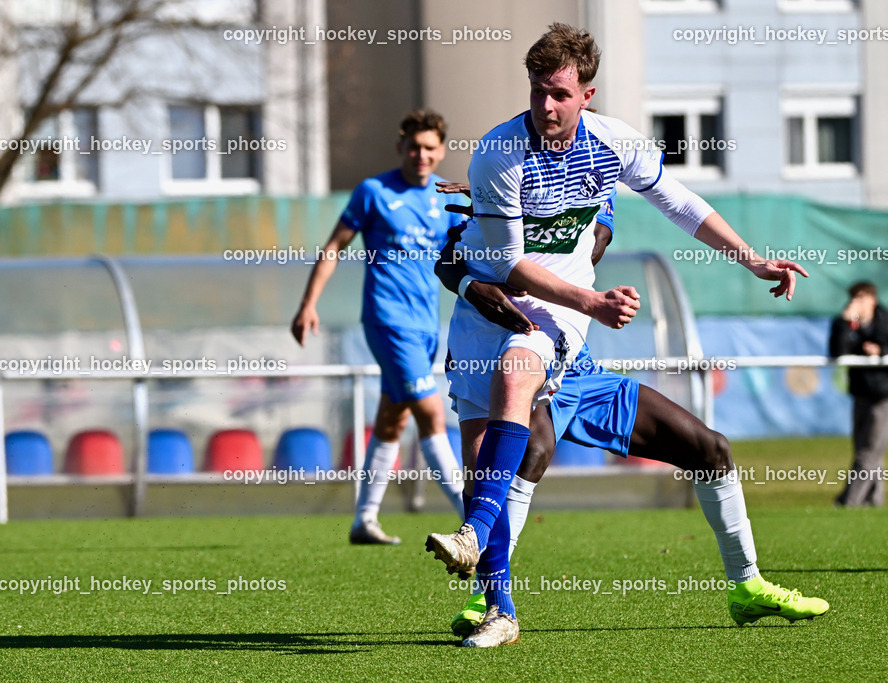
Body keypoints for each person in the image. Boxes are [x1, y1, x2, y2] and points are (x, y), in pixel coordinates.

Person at [425, 21, 815, 644]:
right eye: (537, 91)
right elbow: (504, 266)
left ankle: (745, 583)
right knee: (514, 453)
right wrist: (593, 299)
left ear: (588, 94)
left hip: (555, 320)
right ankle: (492, 600)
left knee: (700, 445)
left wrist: (754, 259)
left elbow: (682, 203)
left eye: (559, 93)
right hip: (492, 323)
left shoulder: (611, 146)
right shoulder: (499, 153)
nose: (546, 105)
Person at [434, 186, 828, 645]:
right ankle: (490, 598)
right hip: (526, 352)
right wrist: (501, 210)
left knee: (711, 449)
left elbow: (595, 244)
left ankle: (747, 585)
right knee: (527, 452)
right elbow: (451, 256)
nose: (551, 115)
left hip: (578, 365)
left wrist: (534, 217)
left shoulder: (596, 177)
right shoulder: (513, 170)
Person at [291, 109, 465, 545]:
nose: (420, 155)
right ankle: (478, 522)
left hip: (427, 325)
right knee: (430, 412)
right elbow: (334, 246)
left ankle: (363, 520)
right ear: (400, 146)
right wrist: (308, 303)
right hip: (387, 320)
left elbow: (469, 254)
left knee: (393, 418)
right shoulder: (373, 192)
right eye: (413, 146)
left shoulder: (445, 200)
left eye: (429, 148)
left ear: (441, 151)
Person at [829, 281, 888, 507]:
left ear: (873, 300)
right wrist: (844, 322)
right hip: (861, 395)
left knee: (869, 453)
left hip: (885, 396)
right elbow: (836, 352)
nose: (858, 303)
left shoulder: (886, 324)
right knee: (866, 452)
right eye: (855, 298)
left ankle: (848, 502)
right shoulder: (849, 326)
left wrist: (881, 351)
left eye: (862, 298)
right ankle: (874, 501)